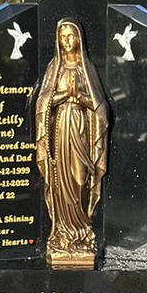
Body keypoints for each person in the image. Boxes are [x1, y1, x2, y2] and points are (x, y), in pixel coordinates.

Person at [34, 20, 109, 268]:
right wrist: (64, 96)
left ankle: (82, 230)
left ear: (79, 38)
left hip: (81, 132)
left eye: (71, 36)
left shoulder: (86, 68)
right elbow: (42, 103)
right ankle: (63, 232)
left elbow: (101, 107)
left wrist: (83, 98)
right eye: (63, 37)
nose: (67, 41)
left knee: (79, 180)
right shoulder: (54, 68)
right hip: (59, 133)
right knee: (59, 184)